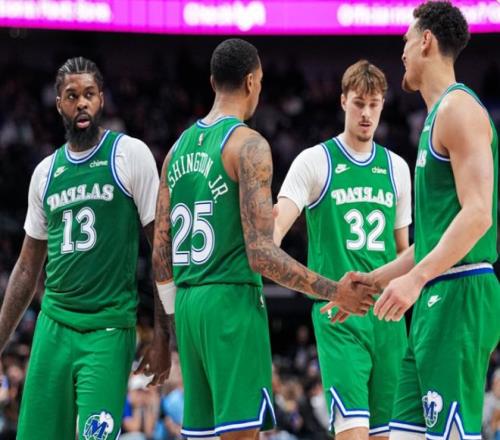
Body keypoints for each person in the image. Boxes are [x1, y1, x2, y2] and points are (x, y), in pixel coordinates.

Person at [152, 38, 376, 440]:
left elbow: (159, 256)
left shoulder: (175, 150)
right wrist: (334, 291)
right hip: (231, 303)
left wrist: (168, 328)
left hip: (187, 306)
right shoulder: (248, 145)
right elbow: (262, 256)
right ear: (252, 82)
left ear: (212, 82)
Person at [337, 2, 499, 439]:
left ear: (426, 41)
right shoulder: (435, 117)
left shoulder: (458, 109)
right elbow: (430, 241)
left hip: (460, 290)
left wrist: (415, 279)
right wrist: (372, 281)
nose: (403, 51)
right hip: (435, 291)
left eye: (406, 41)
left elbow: (479, 214)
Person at [0, 57, 171, 439]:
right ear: (59, 104)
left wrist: (163, 335)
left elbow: (162, 247)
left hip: (108, 329)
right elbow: (27, 268)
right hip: (54, 326)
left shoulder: (130, 154)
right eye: (72, 95)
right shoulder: (45, 172)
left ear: (101, 100)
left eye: (89, 94)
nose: (81, 103)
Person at [273, 60, 412, 440]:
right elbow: (276, 227)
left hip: (388, 317)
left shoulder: (397, 168)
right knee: (352, 433)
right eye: (359, 103)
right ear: (343, 101)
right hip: (339, 316)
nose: (366, 113)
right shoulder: (315, 160)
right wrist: (267, 235)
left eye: (374, 104)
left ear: (383, 105)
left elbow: (403, 250)